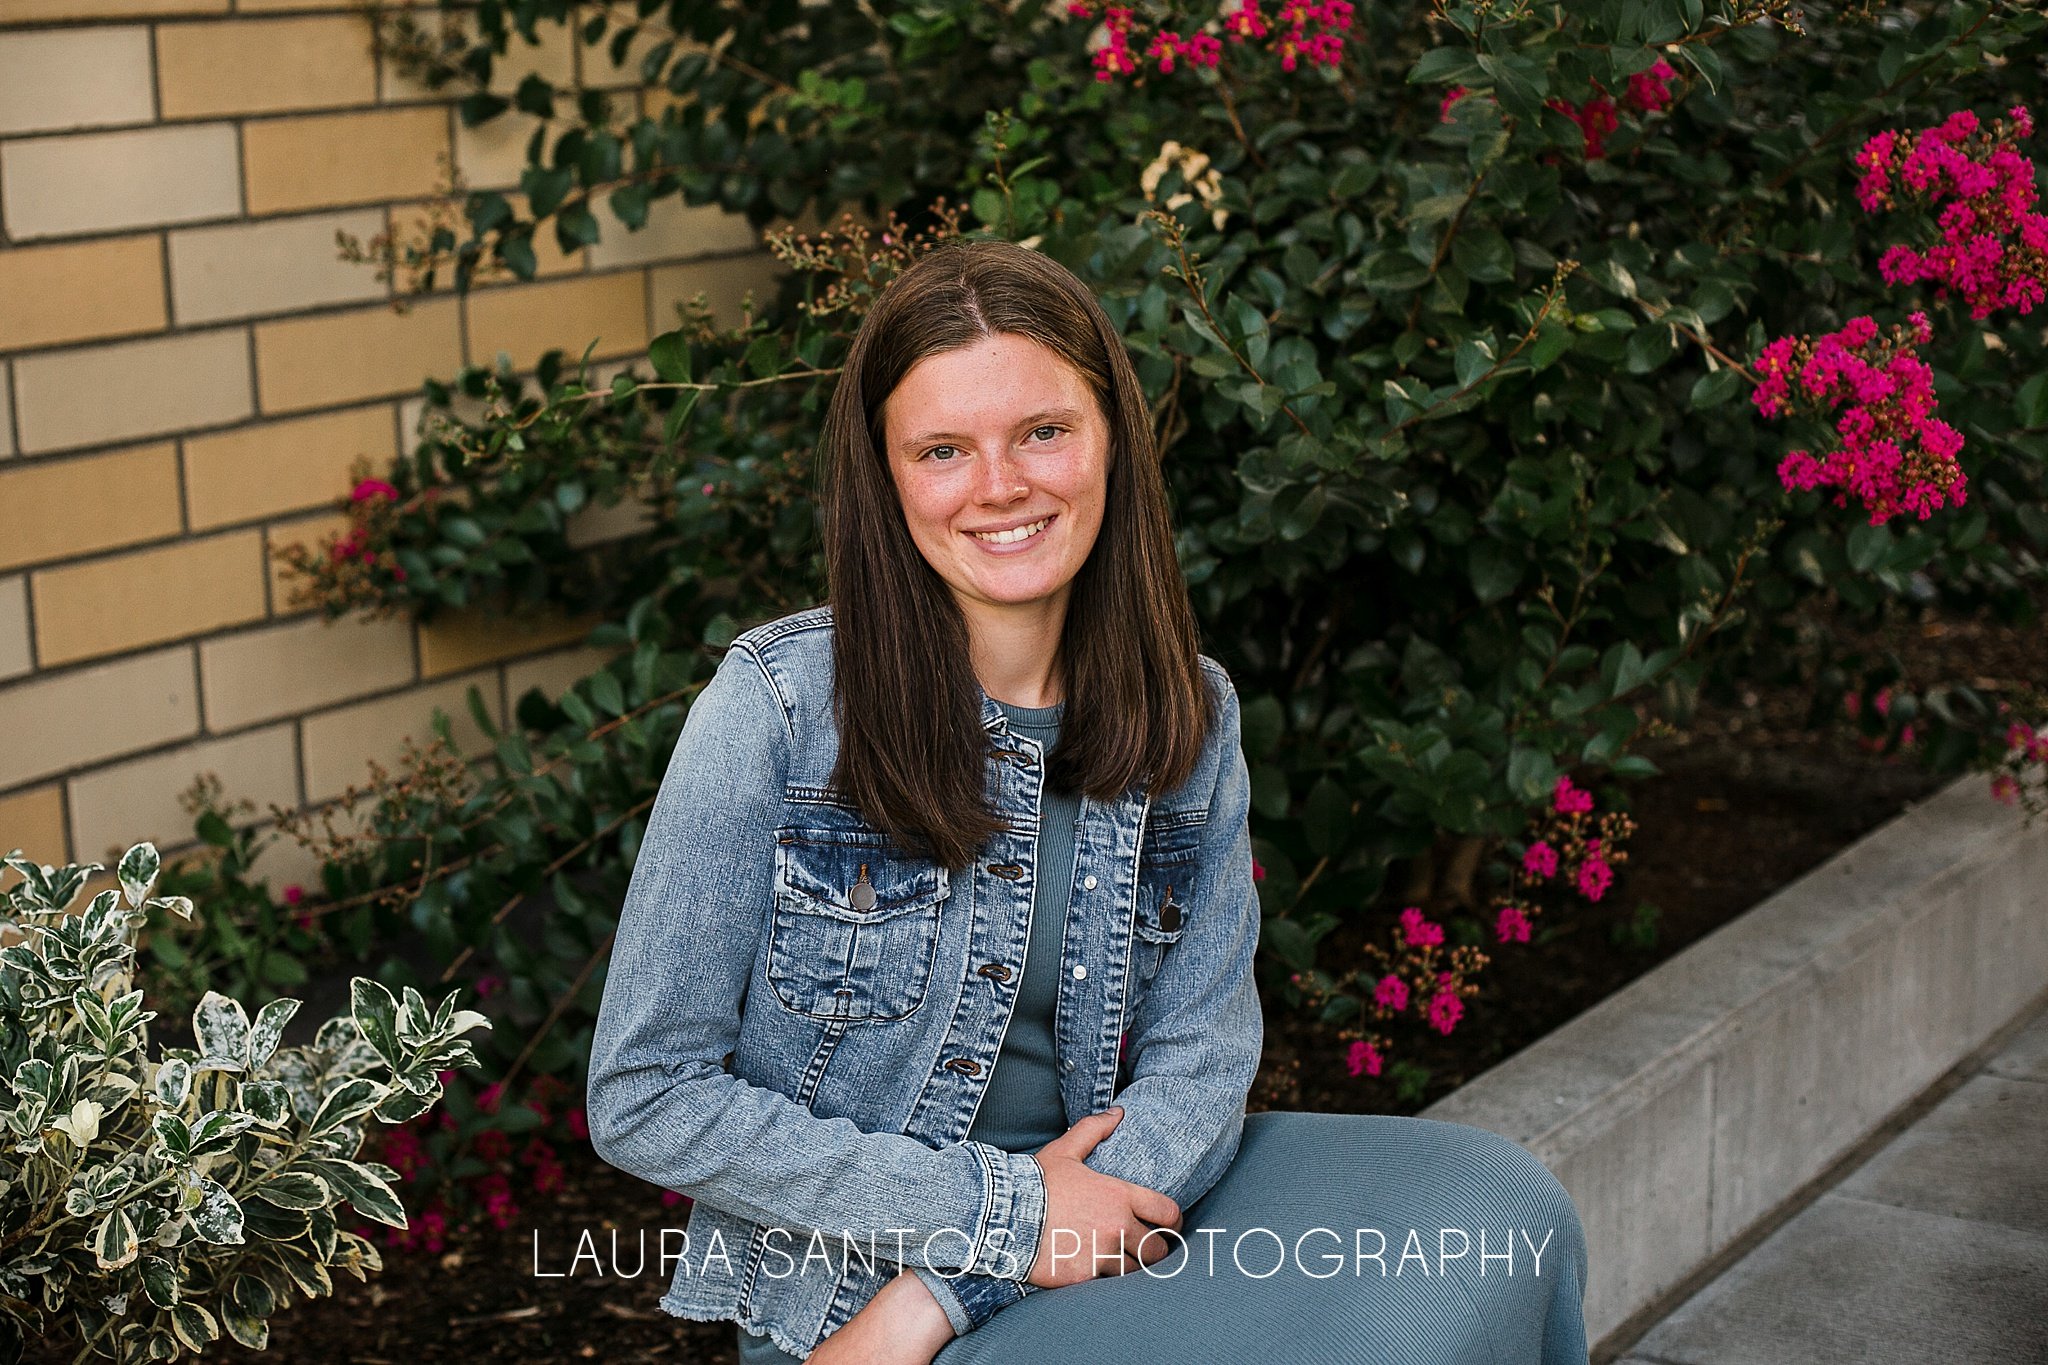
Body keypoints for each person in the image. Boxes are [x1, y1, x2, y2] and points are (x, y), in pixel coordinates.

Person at [585, 238, 1592, 1364]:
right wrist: (1001, 1223)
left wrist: (952, 1288)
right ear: (886, 476)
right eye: (942, 450)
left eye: (1043, 432)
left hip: (1100, 1220)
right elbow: (647, 1094)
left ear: (1112, 438)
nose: (1000, 486)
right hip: (848, 1291)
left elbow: (1201, 1058)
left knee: (1502, 1208)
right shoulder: (777, 709)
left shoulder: (1185, 712)